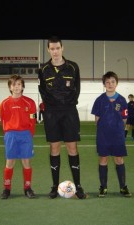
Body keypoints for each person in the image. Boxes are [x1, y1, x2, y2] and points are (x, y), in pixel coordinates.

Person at [38, 36, 87, 199]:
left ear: (62, 48)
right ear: (48, 50)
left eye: (57, 48)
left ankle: (78, 186)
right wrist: (52, 106)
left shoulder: (73, 67)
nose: (55, 51)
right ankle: (54, 187)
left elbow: (77, 89)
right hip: (51, 114)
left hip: (69, 113)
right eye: (52, 49)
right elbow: (43, 92)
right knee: (54, 148)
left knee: (72, 148)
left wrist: (67, 104)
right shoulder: (44, 69)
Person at [91, 71, 132, 198]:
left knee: (119, 159)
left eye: (112, 81)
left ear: (116, 83)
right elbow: (97, 119)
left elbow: (124, 119)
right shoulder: (99, 100)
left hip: (117, 136)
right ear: (104, 84)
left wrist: (117, 129)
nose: (110, 84)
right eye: (107, 82)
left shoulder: (122, 100)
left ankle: (123, 187)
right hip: (103, 136)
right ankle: (103, 187)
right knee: (103, 159)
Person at [0, 75, 37, 199]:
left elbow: (33, 119)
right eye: (14, 85)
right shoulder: (4, 103)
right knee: (10, 162)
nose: (16, 87)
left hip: (26, 134)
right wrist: (7, 134)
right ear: (10, 87)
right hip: (11, 135)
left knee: (26, 161)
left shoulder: (30, 102)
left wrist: (30, 134)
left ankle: (27, 188)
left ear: (22, 87)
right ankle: (7, 188)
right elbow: (3, 120)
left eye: (19, 84)